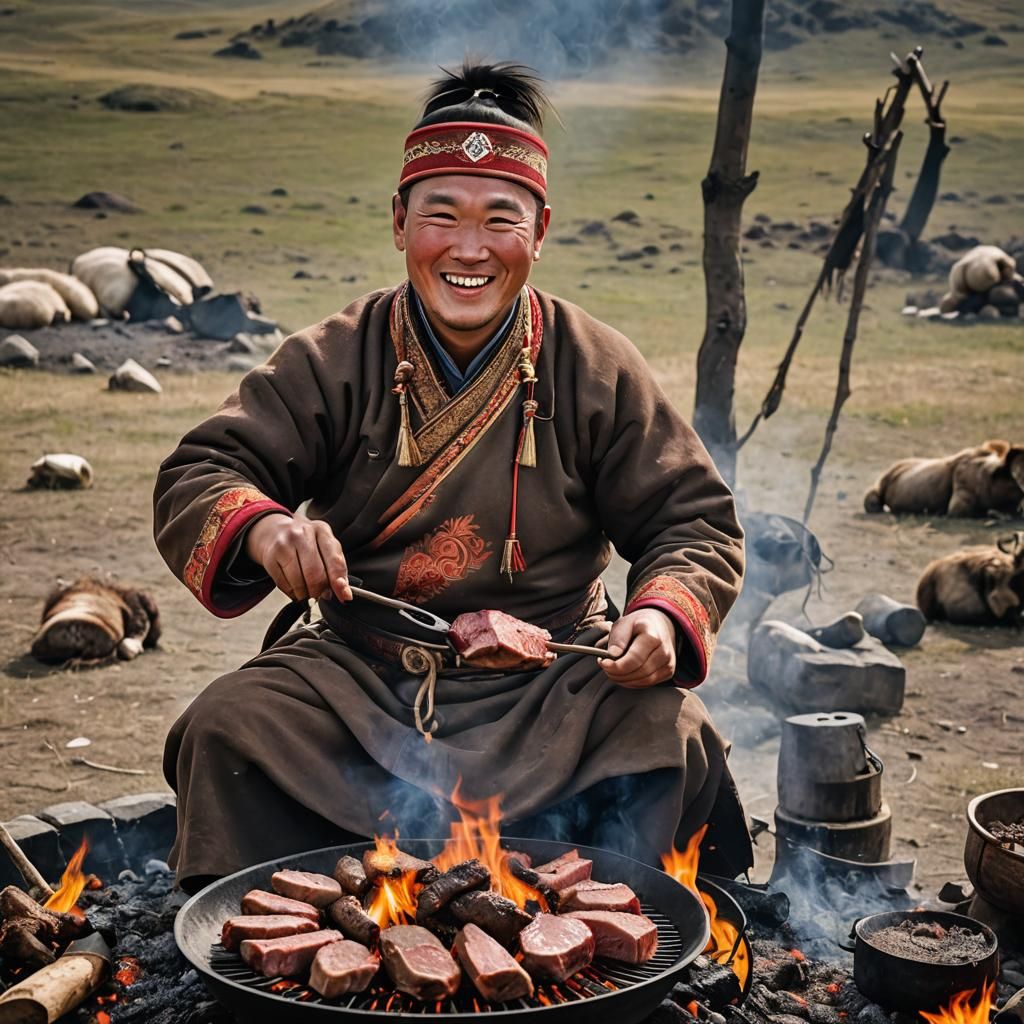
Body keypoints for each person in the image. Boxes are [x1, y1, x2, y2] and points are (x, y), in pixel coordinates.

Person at [154, 61, 751, 894]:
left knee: (670, 730)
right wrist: (263, 526)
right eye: (442, 215)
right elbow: (204, 468)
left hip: (554, 684)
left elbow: (693, 521)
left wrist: (658, 617)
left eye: (500, 220)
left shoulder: (594, 366)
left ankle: (588, 927)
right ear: (400, 222)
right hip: (360, 678)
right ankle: (314, 919)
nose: (469, 249)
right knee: (228, 727)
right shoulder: (335, 357)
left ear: (540, 232)